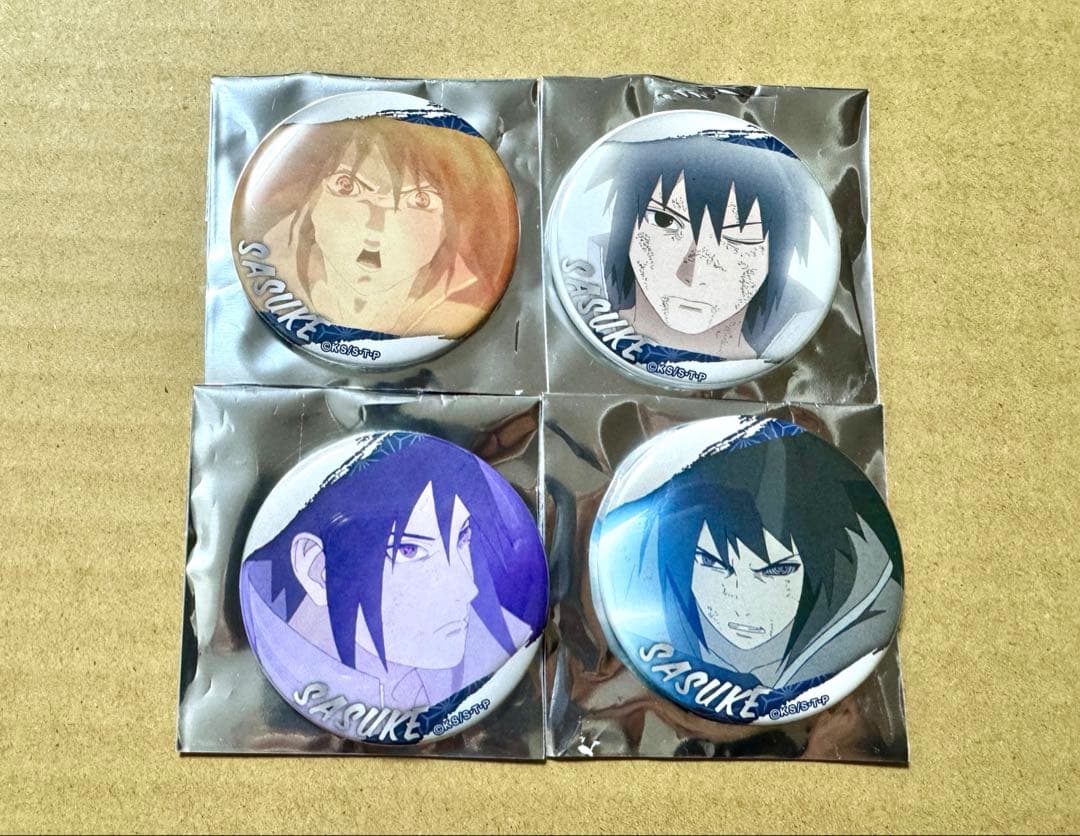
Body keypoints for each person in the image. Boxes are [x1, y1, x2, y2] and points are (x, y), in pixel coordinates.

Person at [240, 433, 546, 711]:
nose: (467, 588)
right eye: (408, 550)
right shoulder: (251, 674)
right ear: (318, 570)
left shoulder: (499, 643)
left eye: (463, 536)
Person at [601, 423, 902, 694]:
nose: (741, 607)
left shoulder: (862, 634)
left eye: (777, 571)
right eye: (713, 563)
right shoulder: (633, 581)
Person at [233, 114, 518, 339]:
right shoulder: (266, 265)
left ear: (449, 222)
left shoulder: (457, 315)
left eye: (420, 200)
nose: (376, 225)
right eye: (348, 186)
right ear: (312, 198)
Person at [590, 133, 819, 359]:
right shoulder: (582, 278)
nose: (692, 275)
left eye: (739, 237)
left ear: (778, 253)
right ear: (625, 220)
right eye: (664, 220)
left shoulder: (809, 338)